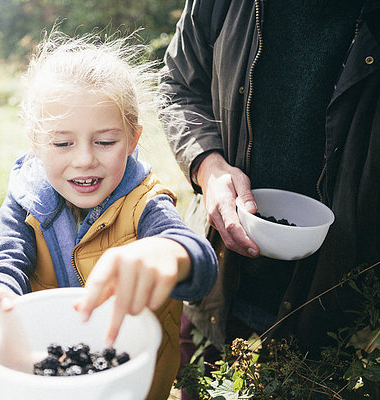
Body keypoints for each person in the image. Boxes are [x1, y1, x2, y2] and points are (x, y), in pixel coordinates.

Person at [0, 32, 218, 400]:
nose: (84, 159)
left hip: (132, 388)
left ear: (133, 139)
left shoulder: (145, 203)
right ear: (35, 140)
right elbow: (3, 263)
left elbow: (197, 259)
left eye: (105, 141)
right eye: (62, 143)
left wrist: (168, 253)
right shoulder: (25, 201)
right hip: (48, 381)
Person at [159, 0, 380, 397]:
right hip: (218, 272)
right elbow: (179, 86)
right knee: (197, 379)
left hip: (338, 301)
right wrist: (208, 168)